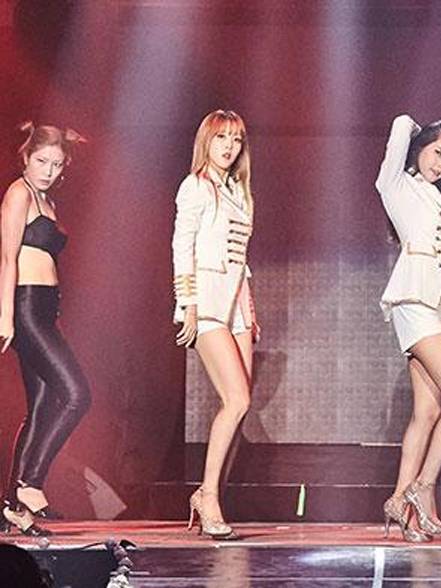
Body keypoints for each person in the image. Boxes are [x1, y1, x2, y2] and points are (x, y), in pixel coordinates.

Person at [376, 114, 441, 542]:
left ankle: (401, 503)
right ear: (420, 149)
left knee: (428, 411)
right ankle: (420, 488)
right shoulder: (398, 186)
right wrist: (423, 130)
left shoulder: (440, 201)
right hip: (412, 302)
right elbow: (400, 124)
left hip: (431, 307)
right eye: (437, 152)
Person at [172, 110, 258, 540]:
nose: (229, 146)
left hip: (235, 306)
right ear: (206, 141)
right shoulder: (196, 186)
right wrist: (186, 303)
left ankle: (211, 494)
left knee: (242, 405)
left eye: (236, 139)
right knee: (236, 399)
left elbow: (240, 261)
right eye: (221, 137)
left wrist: (249, 311)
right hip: (205, 301)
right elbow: (181, 245)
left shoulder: (238, 191)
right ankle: (207, 496)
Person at [0, 122, 89, 537]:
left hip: (45, 310)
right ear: (26, 156)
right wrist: (5, 317)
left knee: (40, 407)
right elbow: (7, 259)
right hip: (25, 309)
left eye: (56, 164)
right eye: (42, 161)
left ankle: (12, 508)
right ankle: (30, 483)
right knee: (77, 394)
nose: (49, 171)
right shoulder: (18, 193)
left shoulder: (47, 200)